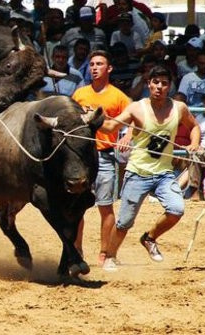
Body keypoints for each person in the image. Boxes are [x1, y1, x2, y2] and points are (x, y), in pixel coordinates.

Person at [101, 65, 200, 271]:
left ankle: (149, 237)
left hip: (164, 174)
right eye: (156, 83)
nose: (159, 87)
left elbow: (194, 126)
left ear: (169, 86)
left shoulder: (179, 108)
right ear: (149, 84)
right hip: (137, 172)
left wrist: (194, 143)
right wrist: (93, 120)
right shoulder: (137, 107)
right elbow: (111, 127)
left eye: (164, 83)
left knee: (176, 209)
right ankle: (110, 256)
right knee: (124, 223)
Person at [72, 50, 131, 266]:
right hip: (82, 155)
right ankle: (77, 249)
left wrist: (128, 136)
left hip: (105, 155)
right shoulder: (79, 94)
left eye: (99, 64)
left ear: (109, 68)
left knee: (105, 206)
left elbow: (135, 117)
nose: (94, 67)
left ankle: (105, 253)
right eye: (92, 64)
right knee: (77, 206)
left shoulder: (118, 96)